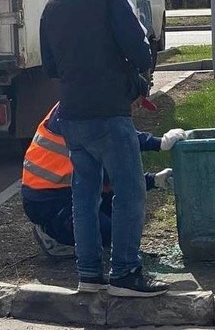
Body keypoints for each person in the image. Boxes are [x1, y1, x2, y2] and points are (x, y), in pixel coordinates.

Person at [39, 0, 168, 296]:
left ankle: (90, 274)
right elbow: (140, 51)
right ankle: (126, 272)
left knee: (84, 195)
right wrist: (134, 73)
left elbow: (50, 65)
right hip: (109, 112)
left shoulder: (53, 4)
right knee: (130, 191)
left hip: (72, 114)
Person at [22, 103, 185, 258]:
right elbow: (118, 136)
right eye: (134, 104)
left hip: (69, 189)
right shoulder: (81, 108)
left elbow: (111, 179)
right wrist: (158, 143)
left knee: (120, 226)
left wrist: (153, 180)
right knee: (107, 232)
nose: (134, 110)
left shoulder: (97, 109)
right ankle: (50, 232)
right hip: (46, 201)